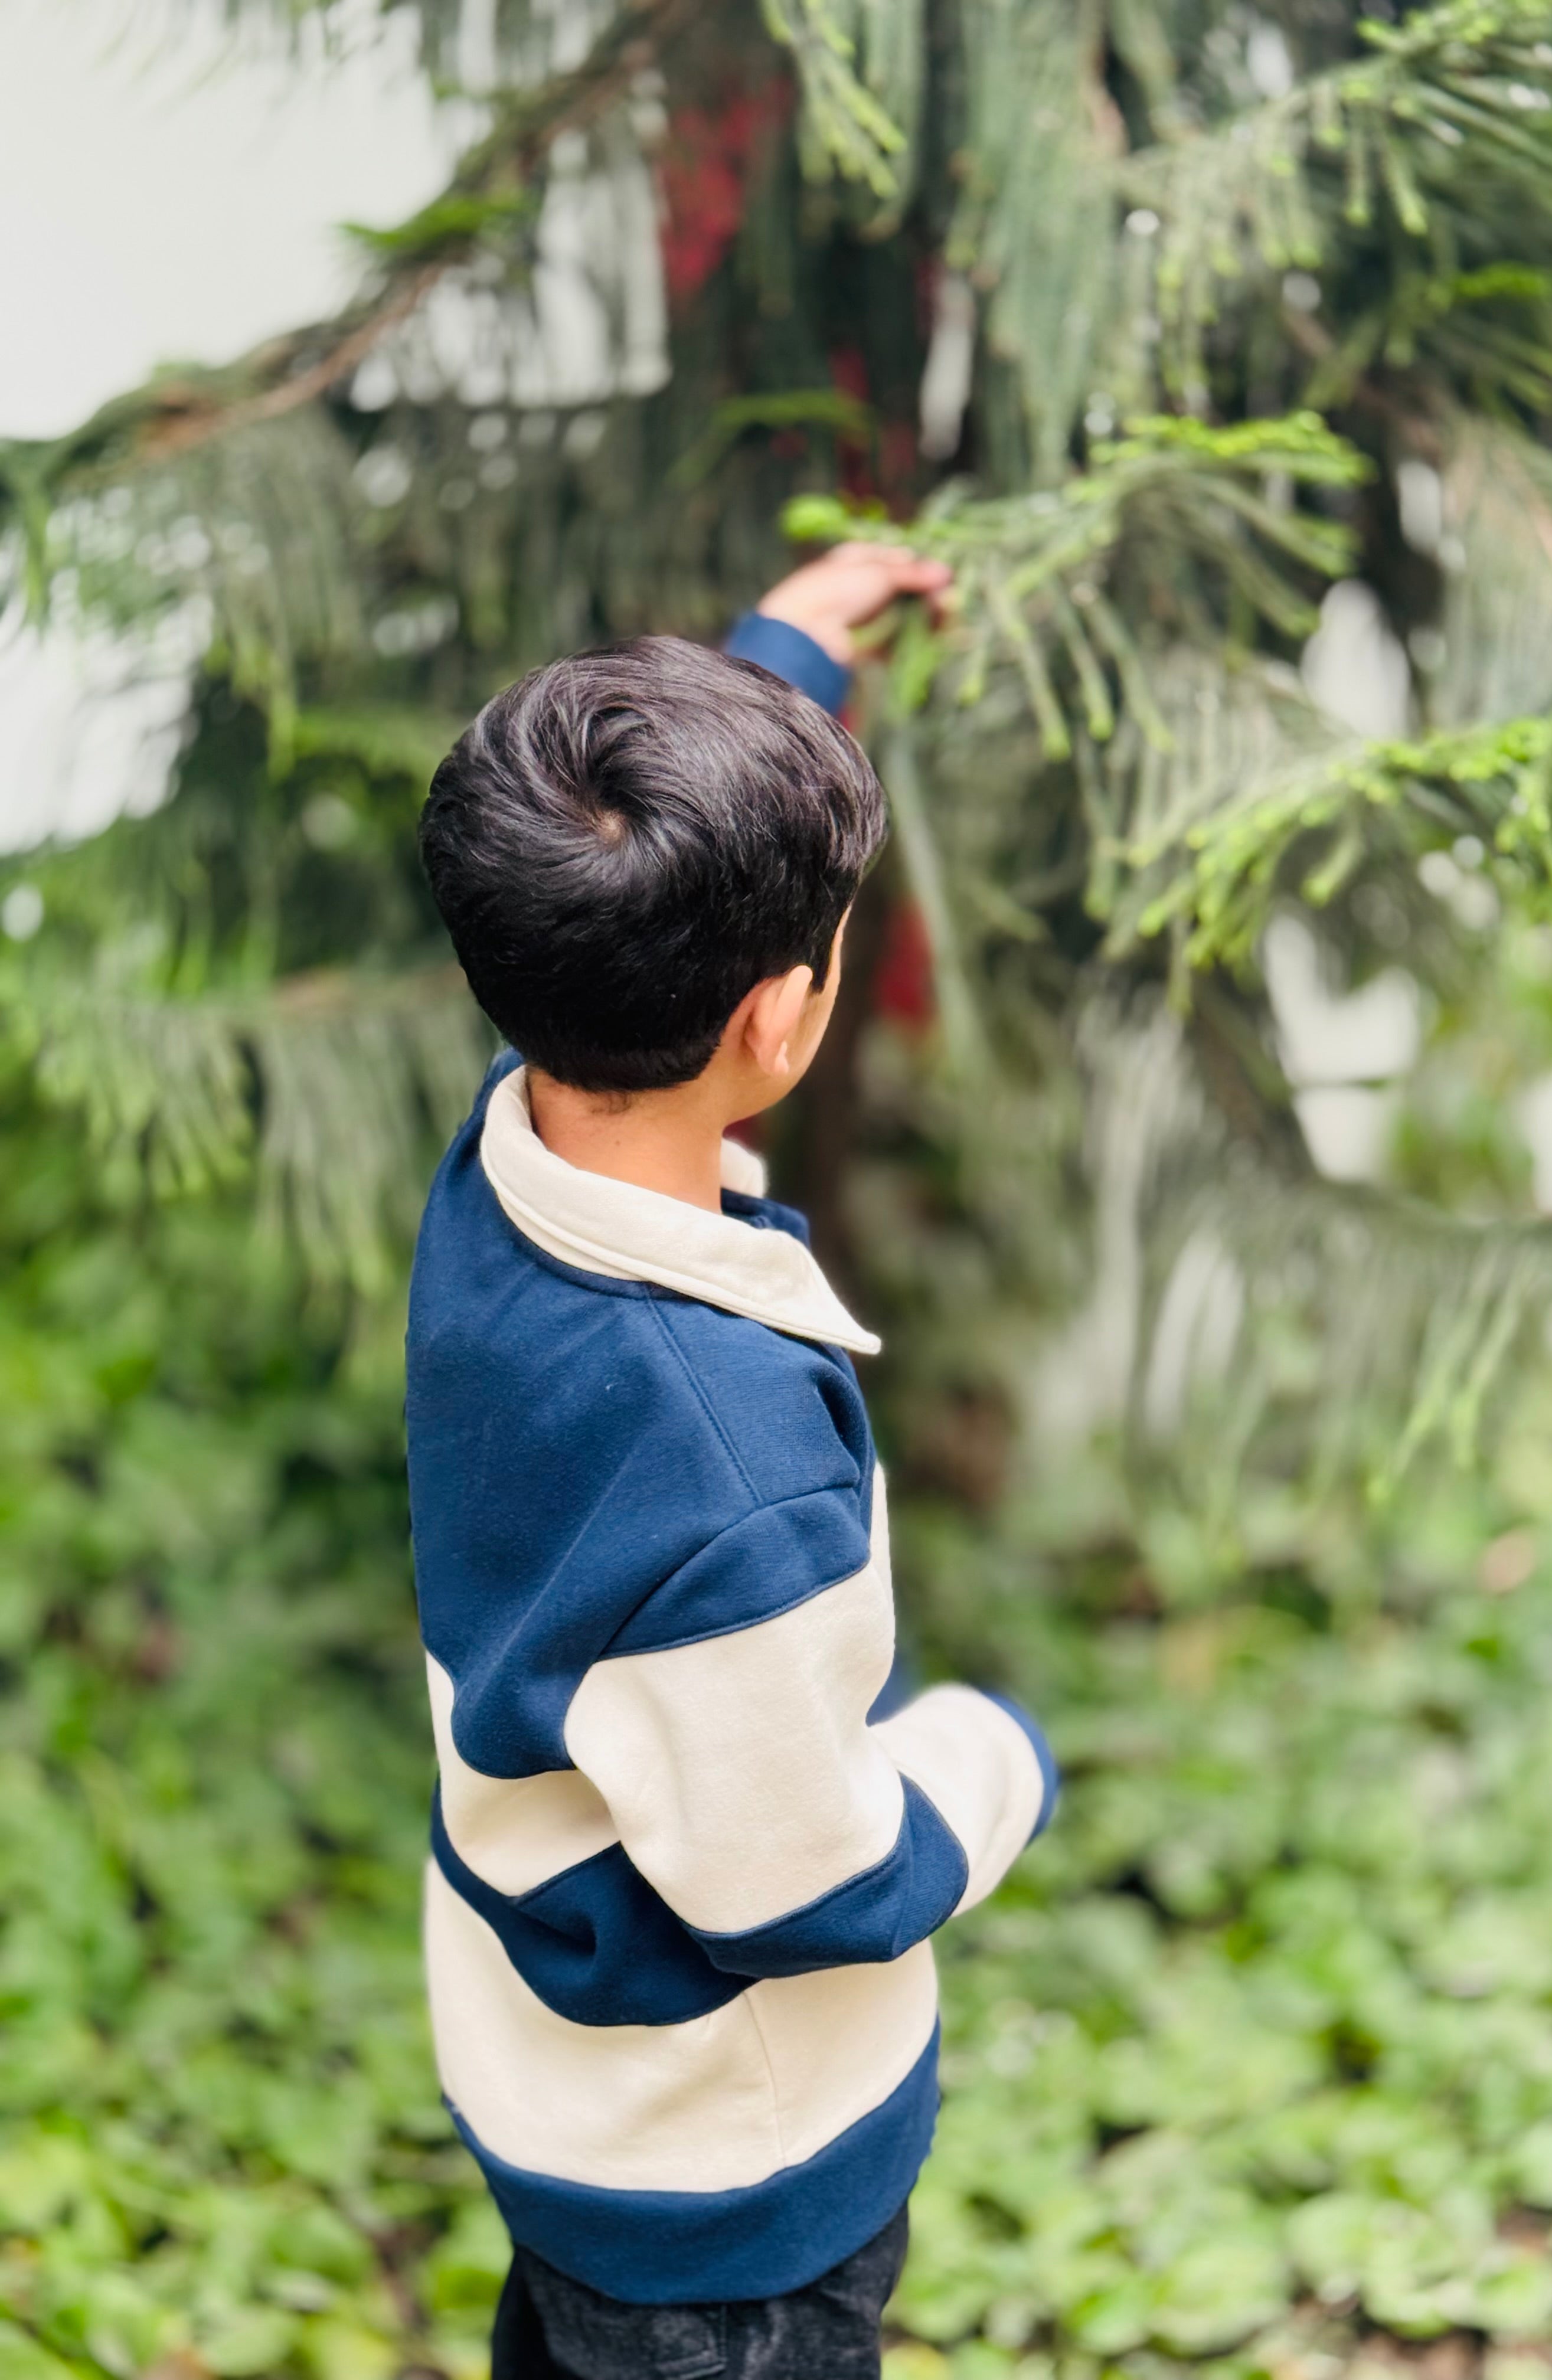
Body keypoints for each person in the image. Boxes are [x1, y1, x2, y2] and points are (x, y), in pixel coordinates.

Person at [408, 545, 1059, 2380]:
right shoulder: (723, 1473)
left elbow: (608, 878)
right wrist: (989, 1764)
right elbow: (795, 1881)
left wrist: (784, 669)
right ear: (778, 1022)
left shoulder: (509, 1162)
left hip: (561, 2078)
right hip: (727, 2191)